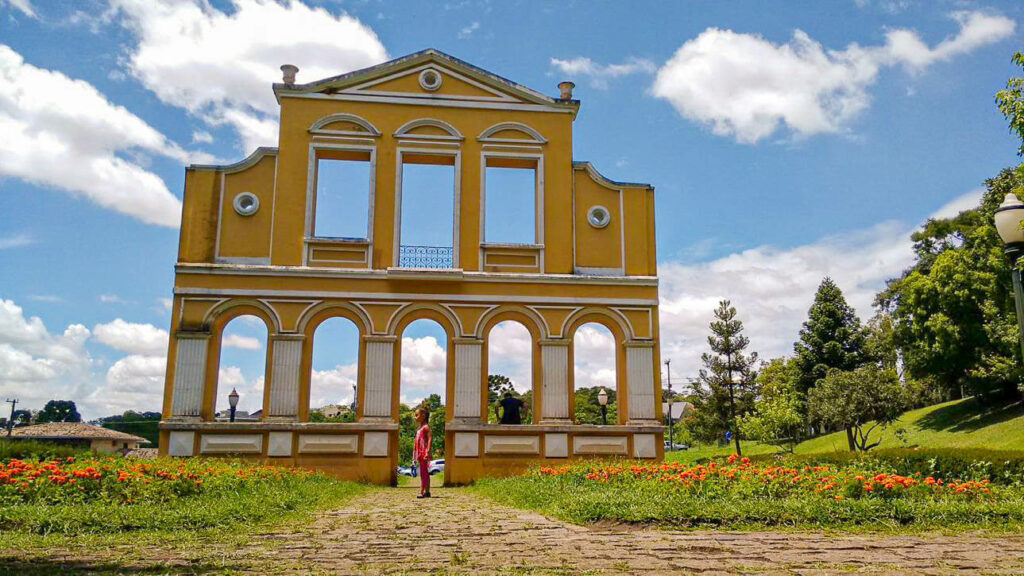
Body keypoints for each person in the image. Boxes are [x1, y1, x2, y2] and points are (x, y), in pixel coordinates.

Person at [413, 406, 432, 498]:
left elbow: (430, 439)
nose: (415, 417)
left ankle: (422, 491)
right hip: (419, 453)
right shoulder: (419, 429)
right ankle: (427, 491)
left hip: (424, 452)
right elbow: (416, 441)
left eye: (416, 415)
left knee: (423, 473)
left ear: (423, 416)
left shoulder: (426, 427)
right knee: (424, 472)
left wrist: (427, 451)